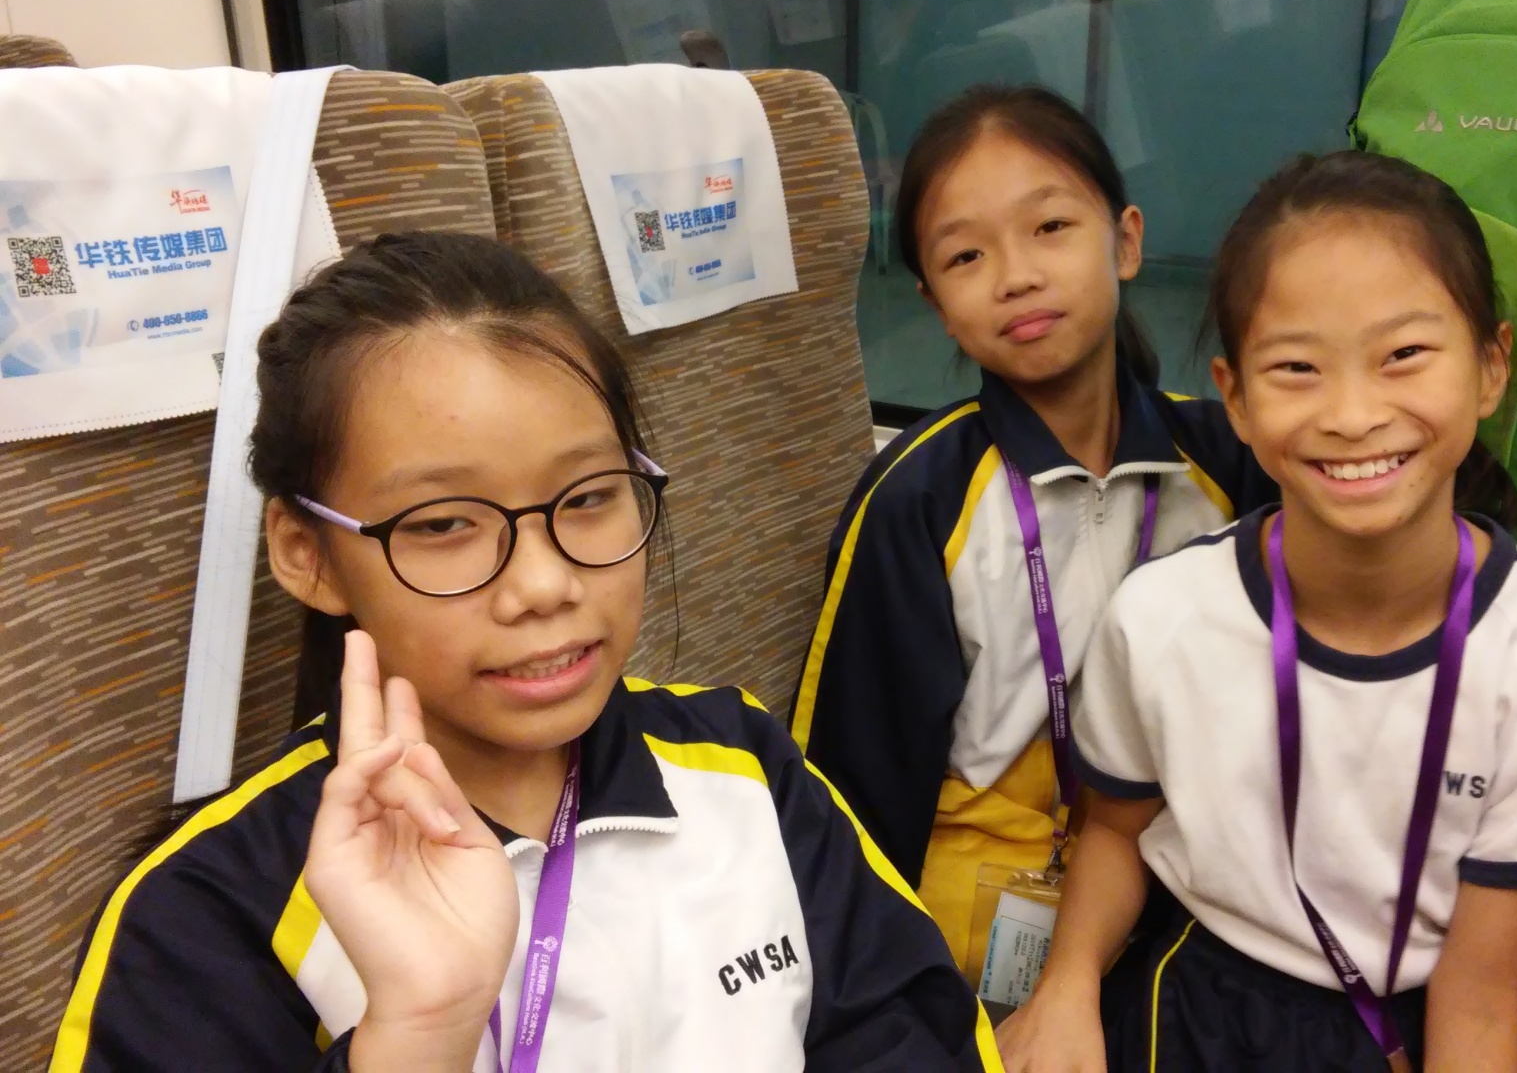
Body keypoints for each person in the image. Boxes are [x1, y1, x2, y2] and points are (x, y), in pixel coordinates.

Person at [51, 232, 1000, 1072]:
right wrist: (417, 1037)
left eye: (587, 498)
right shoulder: (207, 910)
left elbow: (912, 1035)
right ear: (308, 553)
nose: (544, 584)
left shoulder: (743, 766)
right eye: (443, 523)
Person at [995, 151, 1517, 1072]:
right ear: (1236, 398)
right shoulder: (1163, 617)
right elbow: (1115, 832)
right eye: (1297, 367)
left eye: (1403, 356)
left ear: (1491, 367)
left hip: (1408, 1018)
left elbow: (1483, 989)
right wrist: (1066, 988)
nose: (1352, 413)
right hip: (1192, 998)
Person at [788, 84, 1273, 978]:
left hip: (1184, 865)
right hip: (975, 895)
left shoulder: (1230, 460)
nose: (1015, 275)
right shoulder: (919, 501)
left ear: (1126, 242)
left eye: (1050, 227)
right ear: (935, 302)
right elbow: (857, 783)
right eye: (967, 255)